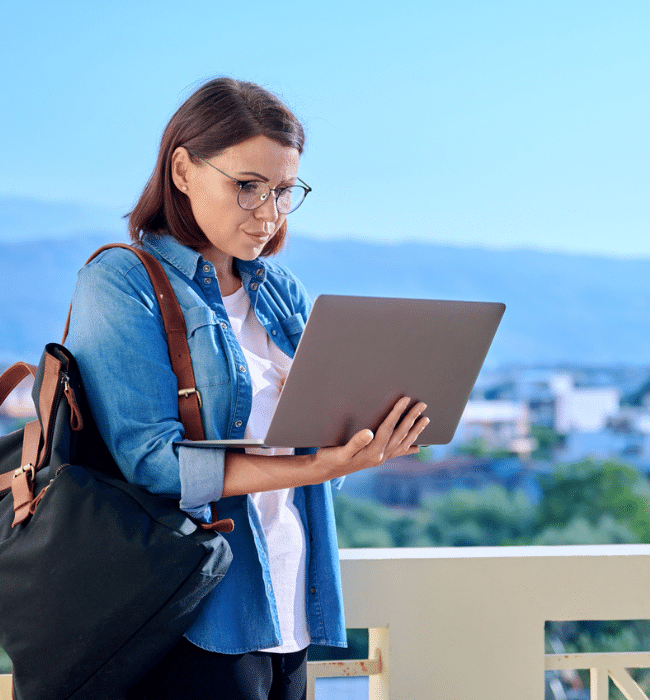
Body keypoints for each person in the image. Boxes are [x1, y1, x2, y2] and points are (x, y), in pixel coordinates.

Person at [69, 77, 429, 700]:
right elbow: (153, 464)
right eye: (247, 188)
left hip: (291, 607)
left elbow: (318, 457)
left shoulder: (280, 291)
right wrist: (314, 466)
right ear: (182, 170)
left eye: (285, 191)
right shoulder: (123, 282)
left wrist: (361, 444)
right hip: (192, 612)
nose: (269, 214)